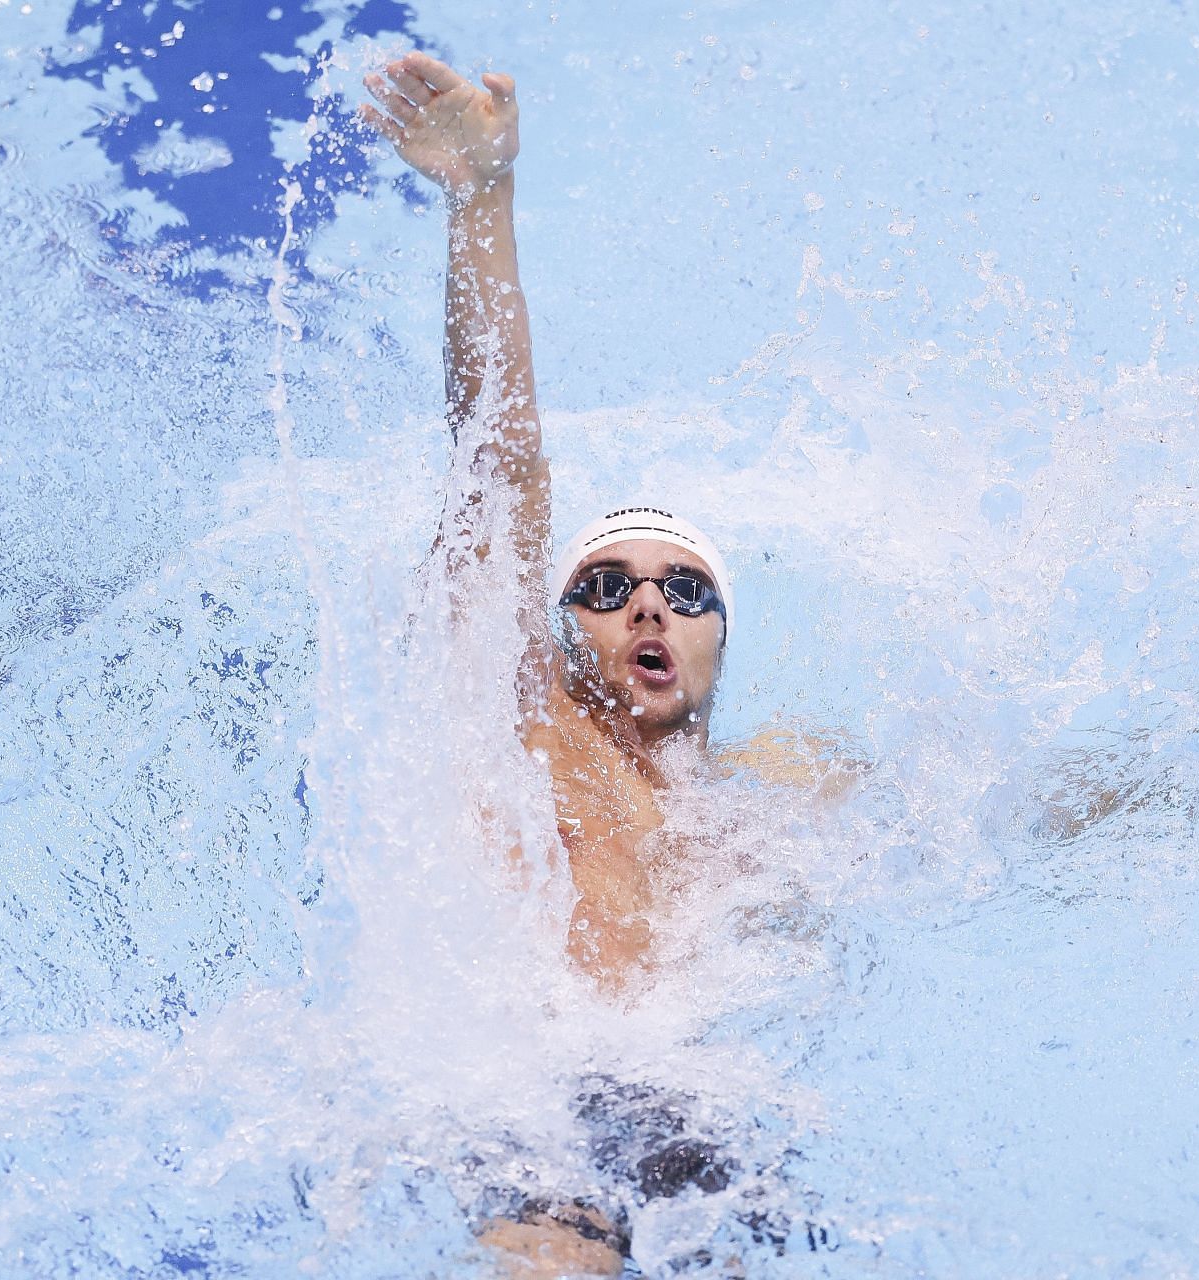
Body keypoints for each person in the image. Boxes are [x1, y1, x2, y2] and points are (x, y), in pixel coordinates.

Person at [362, 52, 845, 1277]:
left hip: (685, 1088)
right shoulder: (535, 720)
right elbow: (499, 459)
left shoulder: (773, 789)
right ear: (563, 625)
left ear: (720, 635)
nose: (646, 601)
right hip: (527, 1088)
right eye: (604, 585)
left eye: (686, 590)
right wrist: (484, 197)